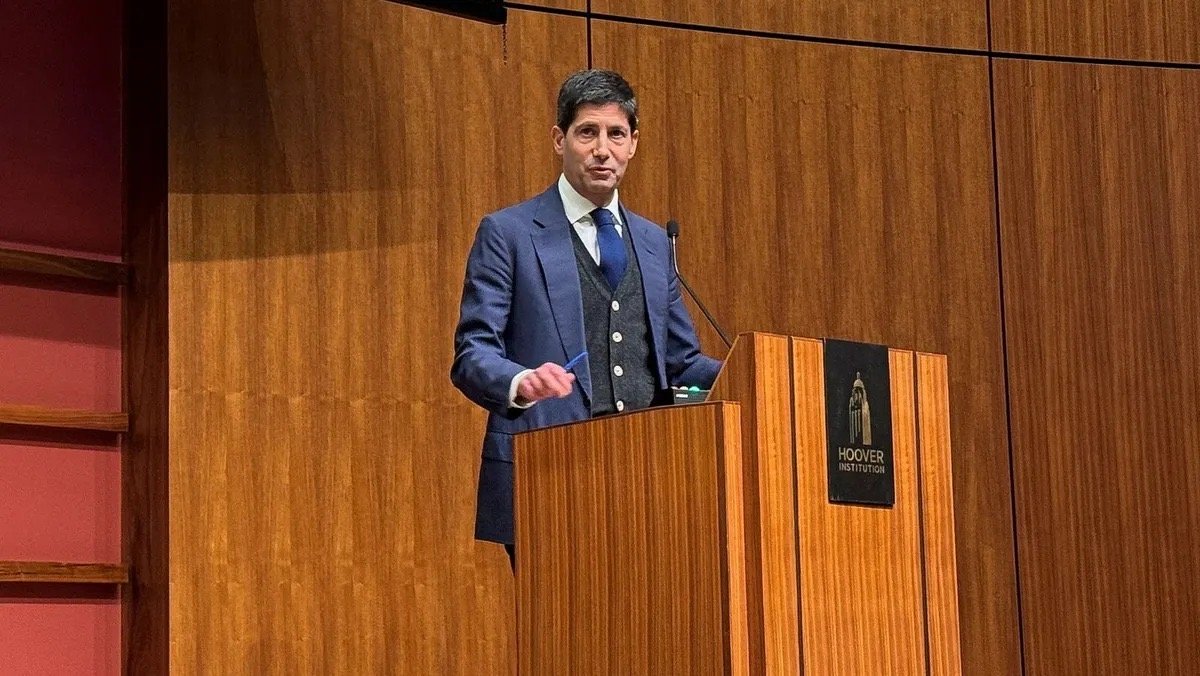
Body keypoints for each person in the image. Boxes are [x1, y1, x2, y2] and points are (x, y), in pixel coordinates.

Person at [450, 69, 722, 565]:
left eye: (616, 134)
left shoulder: (653, 243)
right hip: (549, 473)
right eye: (587, 132)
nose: (602, 150)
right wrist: (521, 382)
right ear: (560, 140)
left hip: (651, 479)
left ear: (633, 143)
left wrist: (754, 369)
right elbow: (473, 353)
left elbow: (681, 363)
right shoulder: (508, 233)